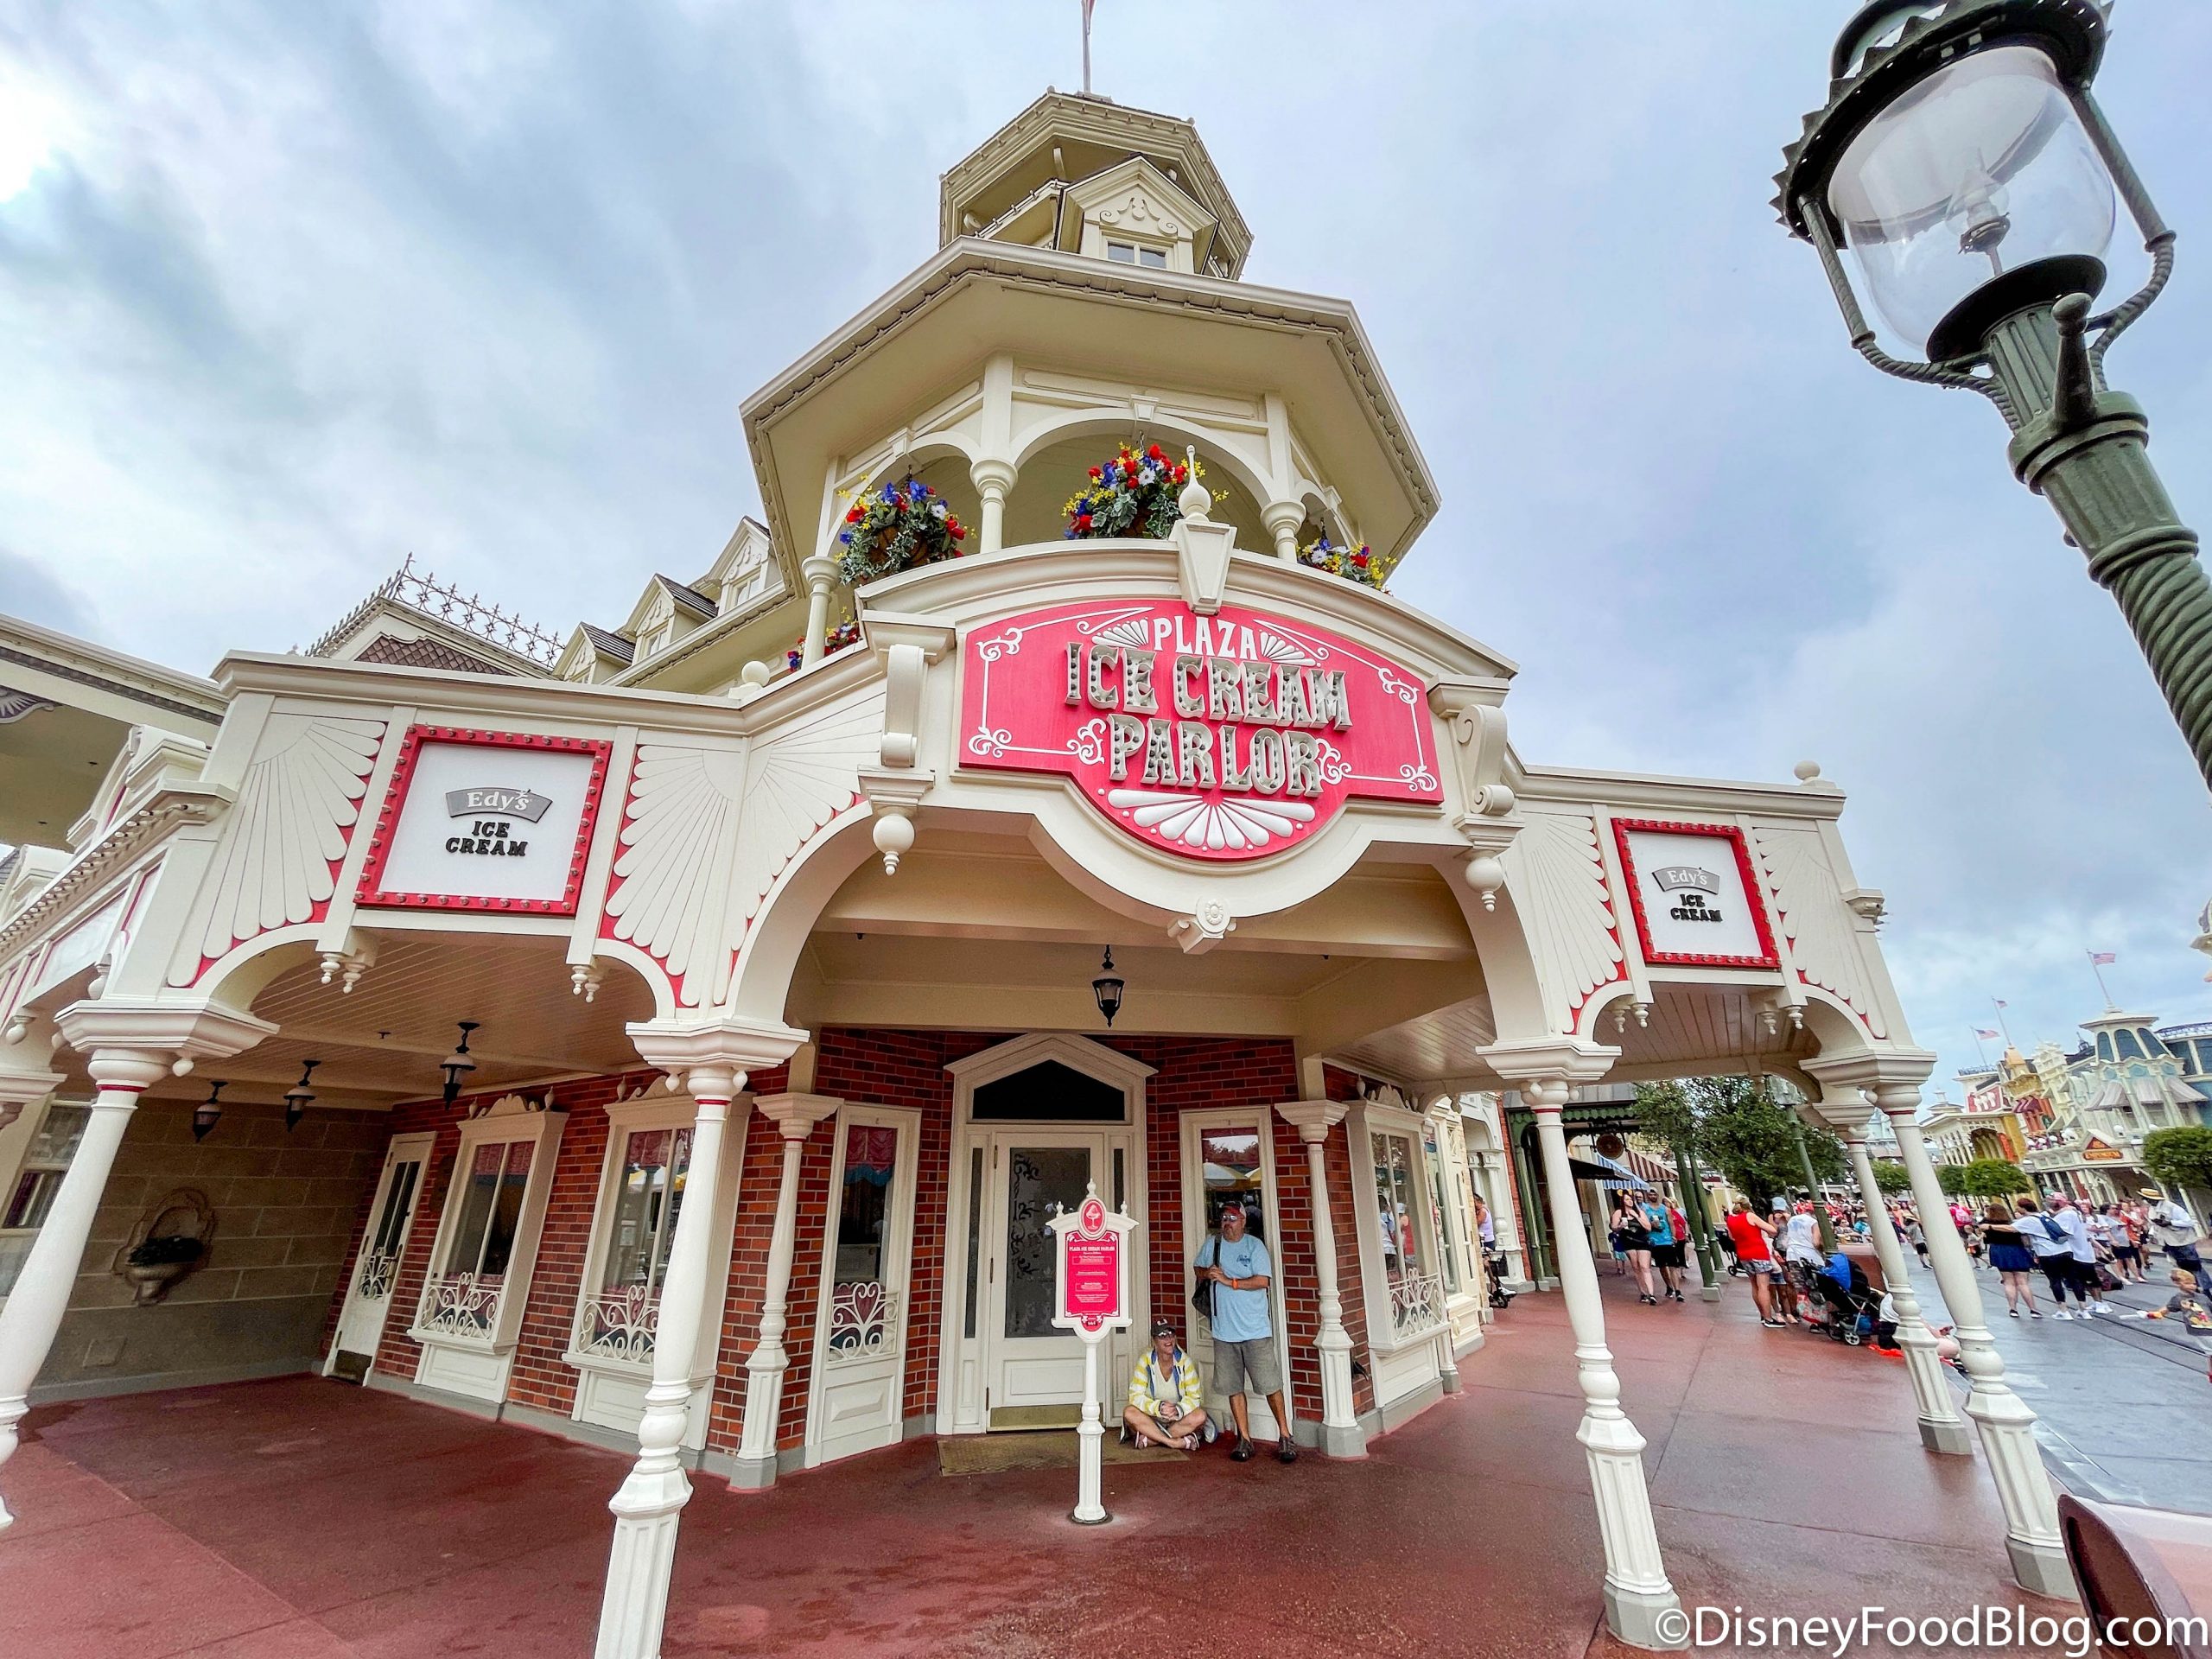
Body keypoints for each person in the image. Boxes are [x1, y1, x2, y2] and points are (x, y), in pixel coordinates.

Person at [1193, 1200, 1296, 1464]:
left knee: (1269, 1383)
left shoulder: (1254, 1246)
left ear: (1243, 1220)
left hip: (1254, 1329)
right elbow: (1198, 1269)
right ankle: (1245, 1439)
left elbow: (1263, 1281)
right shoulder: (1213, 1245)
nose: (1227, 1222)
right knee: (1233, 1386)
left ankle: (1284, 1435)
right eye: (1224, 1217)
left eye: (1233, 1217)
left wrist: (1230, 1282)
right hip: (1223, 1331)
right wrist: (1208, 1272)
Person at [1122, 1319, 1208, 1451]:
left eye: (1171, 1334)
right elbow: (1135, 1396)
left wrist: (1178, 1409)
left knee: (1200, 1415)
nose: (1168, 1339)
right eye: (1162, 1336)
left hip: (1177, 1418)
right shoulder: (1145, 1360)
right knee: (1129, 1412)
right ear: (1154, 1341)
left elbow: (1195, 1397)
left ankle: (1152, 1440)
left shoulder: (1185, 1361)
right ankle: (1173, 1442)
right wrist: (1158, 1407)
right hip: (1152, 1418)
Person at [2018, 1196, 2091, 1319]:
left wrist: (1990, 1226)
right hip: (2065, 1250)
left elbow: (2010, 1228)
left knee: (2055, 1280)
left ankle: (2063, 1310)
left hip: (2047, 1253)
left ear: (2023, 1208)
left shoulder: (2029, 1220)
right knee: (2074, 1279)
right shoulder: (2046, 1215)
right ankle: (2083, 1310)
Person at [1724, 1198, 1787, 1328]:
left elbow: (1732, 1237)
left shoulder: (1730, 1219)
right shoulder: (1750, 1216)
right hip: (1758, 1252)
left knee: (1754, 1285)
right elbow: (1773, 1230)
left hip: (1743, 1253)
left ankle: (1763, 1315)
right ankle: (1769, 1318)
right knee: (1763, 1286)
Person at [2050, 1195, 2114, 1314]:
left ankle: (2099, 1303)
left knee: (2090, 1279)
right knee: (2085, 1280)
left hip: (2079, 1252)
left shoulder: (2067, 1215)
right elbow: (2086, 1234)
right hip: (2080, 1252)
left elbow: (2063, 1233)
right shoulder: (2074, 1214)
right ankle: (2097, 1303)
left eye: (2052, 1200)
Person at [2145, 1188, 2212, 1298]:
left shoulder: (2172, 1207)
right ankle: (2192, 1291)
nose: (2146, 1200)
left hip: (2183, 1241)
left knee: (2194, 1266)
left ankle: (2205, 1291)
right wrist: (2153, 1234)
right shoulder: (2152, 1209)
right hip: (2169, 1241)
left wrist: (2170, 1222)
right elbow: (2154, 1224)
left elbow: (2189, 1222)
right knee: (2182, 1268)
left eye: (2147, 1198)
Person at [1981, 1202, 2040, 1319]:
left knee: (2009, 1282)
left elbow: (1986, 1240)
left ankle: (2013, 1309)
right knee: (2023, 1282)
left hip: (2000, 1251)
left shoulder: (1987, 1225)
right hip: (2017, 1251)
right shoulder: (2013, 1224)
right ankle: (2033, 1309)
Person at [1611, 1193, 1656, 1302]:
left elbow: (1648, 1228)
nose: (1630, 1201)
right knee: (1636, 1267)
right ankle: (1643, 1292)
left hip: (1642, 1240)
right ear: (1623, 1201)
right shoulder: (1619, 1212)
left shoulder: (1640, 1212)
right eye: (1627, 1199)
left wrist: (1636, 1217)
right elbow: (1614, 1228)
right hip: (1629, 1241)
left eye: (1631, 1199)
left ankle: (1651, 1294)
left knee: (1645, 1267)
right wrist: (1619, 1226)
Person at [1643, 1193, 1684, 1303]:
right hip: (1655, 1241)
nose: (1652, 1196)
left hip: (1667, 1240)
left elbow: (1671, 1224)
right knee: (1662, 1266)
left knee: (1673, 1266)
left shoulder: (1665, 1209)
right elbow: (1644, 1224)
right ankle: (1669, 1286)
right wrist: (1651, 1226)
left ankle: (1678, 1291)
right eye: (1650, 1194)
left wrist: (1673, 1236)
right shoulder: (1645, 1209)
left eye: (1654, 1194)